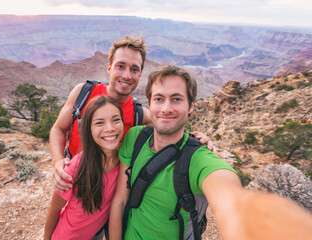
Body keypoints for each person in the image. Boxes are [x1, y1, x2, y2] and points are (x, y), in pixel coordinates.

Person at [109, 65, 312, 240]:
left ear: (191, 107)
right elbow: (120, 201)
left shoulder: (198, 159)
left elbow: (233, 203)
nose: (166, 108)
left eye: (177, 99)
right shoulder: (135, 138)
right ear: (149, 104)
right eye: (159, 99)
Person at [49, 36, 214, 192]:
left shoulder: (139, 114)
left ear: (140, 75)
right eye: (120, 66)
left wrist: (196, 138)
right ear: (109, 68)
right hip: (72, 180)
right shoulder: (83, 93)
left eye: (134, 69)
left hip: (110, 190)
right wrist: (57, 161)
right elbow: (58, 128)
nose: (127, 75)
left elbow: (169, 127)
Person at [44, 96, 124, 240]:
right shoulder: (77, 166)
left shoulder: (124, 163)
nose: (110, 128)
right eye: (99, 122)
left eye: (116, 120)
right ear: (89, 129)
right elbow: (55, 209)